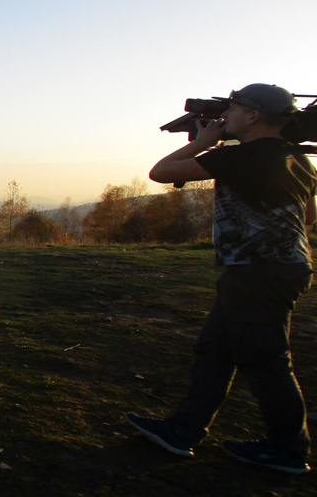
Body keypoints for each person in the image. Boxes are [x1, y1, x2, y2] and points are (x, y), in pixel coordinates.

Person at [126, 83, 317, 474]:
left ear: (254, 115)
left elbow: (160, 173)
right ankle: (184, 430)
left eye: (234, 108)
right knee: (215, 352)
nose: (226, 115)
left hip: (258, 271)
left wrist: (206, 142)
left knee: (266, 361)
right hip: (278, 267)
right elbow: (309, 216)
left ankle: (288, 449)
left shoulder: (246, 157)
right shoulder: (297, 158)